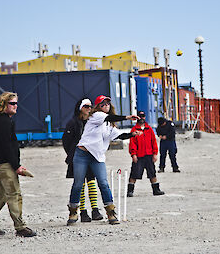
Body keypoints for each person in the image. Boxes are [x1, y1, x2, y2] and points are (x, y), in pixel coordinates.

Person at [67, 95, 140, 225]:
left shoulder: (108, 125)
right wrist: (127, 117)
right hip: (82, 154)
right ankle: (73, 212)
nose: (105, 104)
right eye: (102, 103)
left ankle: (110, 212)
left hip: (97, 157)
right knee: (78, 184)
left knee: (103, 183)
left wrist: (132, 135)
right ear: (98, 107)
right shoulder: (96, 116)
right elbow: (110, 117)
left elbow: (118, 135)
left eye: (107, 103)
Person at [0, 92, 36, 237]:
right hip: (6, 165)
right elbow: (7, 146)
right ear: (4, 104)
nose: (15, 107)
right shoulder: (4, 122)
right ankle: (20, 227)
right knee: (14, 194)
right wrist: (16, 166)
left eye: (16, 104)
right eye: (12, 104)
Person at [62, 98, 103, 222]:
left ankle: (95, 210)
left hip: (91, 155)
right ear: (80, 108)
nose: (89, 109)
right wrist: (72, 154)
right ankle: (83, 212)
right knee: (80, 184)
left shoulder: (91, 122)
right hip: (77, 157)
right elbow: (66, 141)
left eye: (90, 107)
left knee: (92, 182)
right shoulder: (73, 123)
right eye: (86, 106)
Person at [127, 111, 165, 197]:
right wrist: (133, 154)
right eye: (139, 116)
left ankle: (156, 190)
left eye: (143, 116)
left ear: (145, 117)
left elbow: (153, 142)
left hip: (149, 155)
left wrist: (155, 154)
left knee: (152, 172)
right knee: (134, 173)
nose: (141, 118)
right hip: (139, 156)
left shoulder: (149, 129)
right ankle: (130, 191)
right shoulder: (134, 130)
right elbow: (132, 143)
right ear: (137, 117)